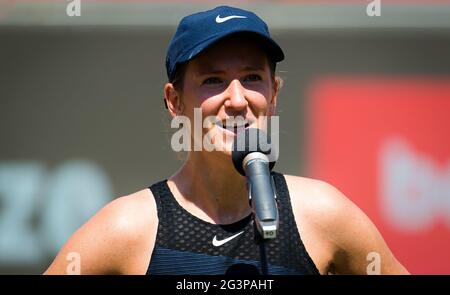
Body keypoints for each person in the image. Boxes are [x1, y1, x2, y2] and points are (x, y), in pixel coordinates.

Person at [44, 5, 408, 275]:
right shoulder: (127, 229)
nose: (237, 99)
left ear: (274, 92)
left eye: (252, 77)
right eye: (213, 81)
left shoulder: (324, 215)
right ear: (174, 101)